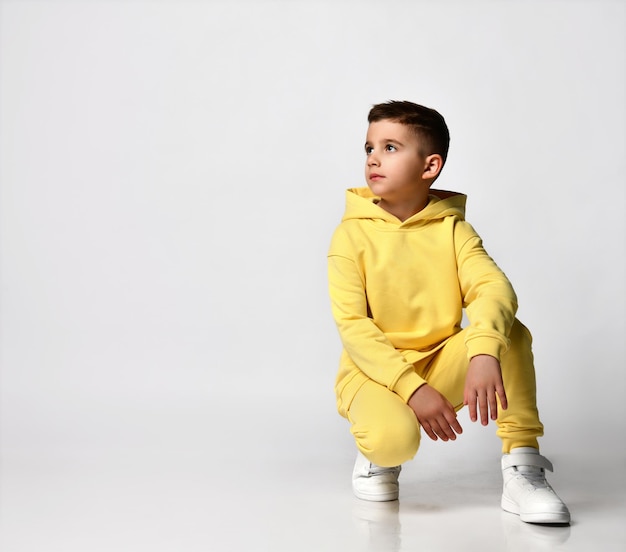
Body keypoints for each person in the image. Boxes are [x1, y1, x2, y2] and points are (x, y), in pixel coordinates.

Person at [327, 100, 570, 525]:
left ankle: (522, 467)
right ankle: (376, 458)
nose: (372, 160)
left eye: (389, 147)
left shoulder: (454, 230)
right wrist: (410, 388)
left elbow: (494, 287)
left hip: (439, 363)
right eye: (369, 148)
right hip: (373, 373)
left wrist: (482, 352)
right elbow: (354, 327)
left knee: (509, 333)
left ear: (429, 166)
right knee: (393, 440)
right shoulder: (350, 235)